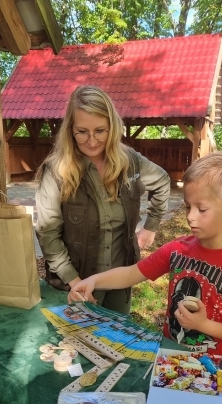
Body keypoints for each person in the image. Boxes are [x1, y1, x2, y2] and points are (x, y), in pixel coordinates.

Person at [68, 152, 222, 370]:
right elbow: (132, 273)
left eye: (201, 209)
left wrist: (204, 325)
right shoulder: (178, 249)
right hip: (169, 361)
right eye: (187, 207)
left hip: (212, 372)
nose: (191, 217)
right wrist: (94, 281)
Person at [35, 85, 171, 314]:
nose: (91, 140)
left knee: (115, 343)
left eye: (100, 130)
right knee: (74, 347)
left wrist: (151, 226)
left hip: (119, 280)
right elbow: (48, 234)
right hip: (74, 283)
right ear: (70, 130)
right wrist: (75, 282)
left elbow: (162, 181)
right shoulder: (56, 171)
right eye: (82, 131)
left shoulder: (131, 162)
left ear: (113, 127)